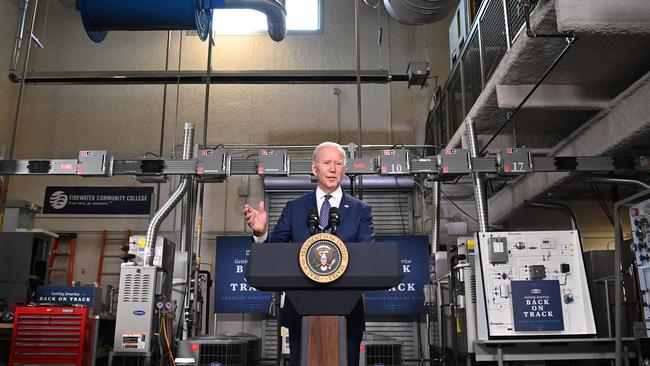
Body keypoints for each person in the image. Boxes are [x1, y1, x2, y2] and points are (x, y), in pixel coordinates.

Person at [244, 141, 375, 366]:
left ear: (344, 168)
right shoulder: (295, 207)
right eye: (327, 163)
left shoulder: (360, 210)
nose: (333, 168)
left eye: (338, 163)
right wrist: (262, 232)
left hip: (348, 312)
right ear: (315, 168)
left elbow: (368, 256)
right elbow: (275, 252)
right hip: (301, 311)